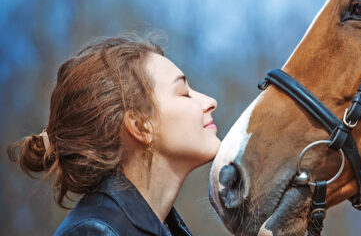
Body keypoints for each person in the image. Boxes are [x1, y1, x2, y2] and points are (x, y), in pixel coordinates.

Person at [8, 35, 221, 235]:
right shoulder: (94, 232)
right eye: (184, 93)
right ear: (140, 126)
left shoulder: (164, 227)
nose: (210, 101)